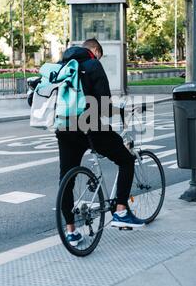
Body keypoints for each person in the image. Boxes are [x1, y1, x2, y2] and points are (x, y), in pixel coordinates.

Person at [56, 38, 145, 246]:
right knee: (125, 160)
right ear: (95, 51)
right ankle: (121, 211)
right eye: (99, 56)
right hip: (90, 128)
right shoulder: (93, 65)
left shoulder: (62, 66)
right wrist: (121, 111)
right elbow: (103, 105)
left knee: (66, 178)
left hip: (63, 127)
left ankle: (71, 231)